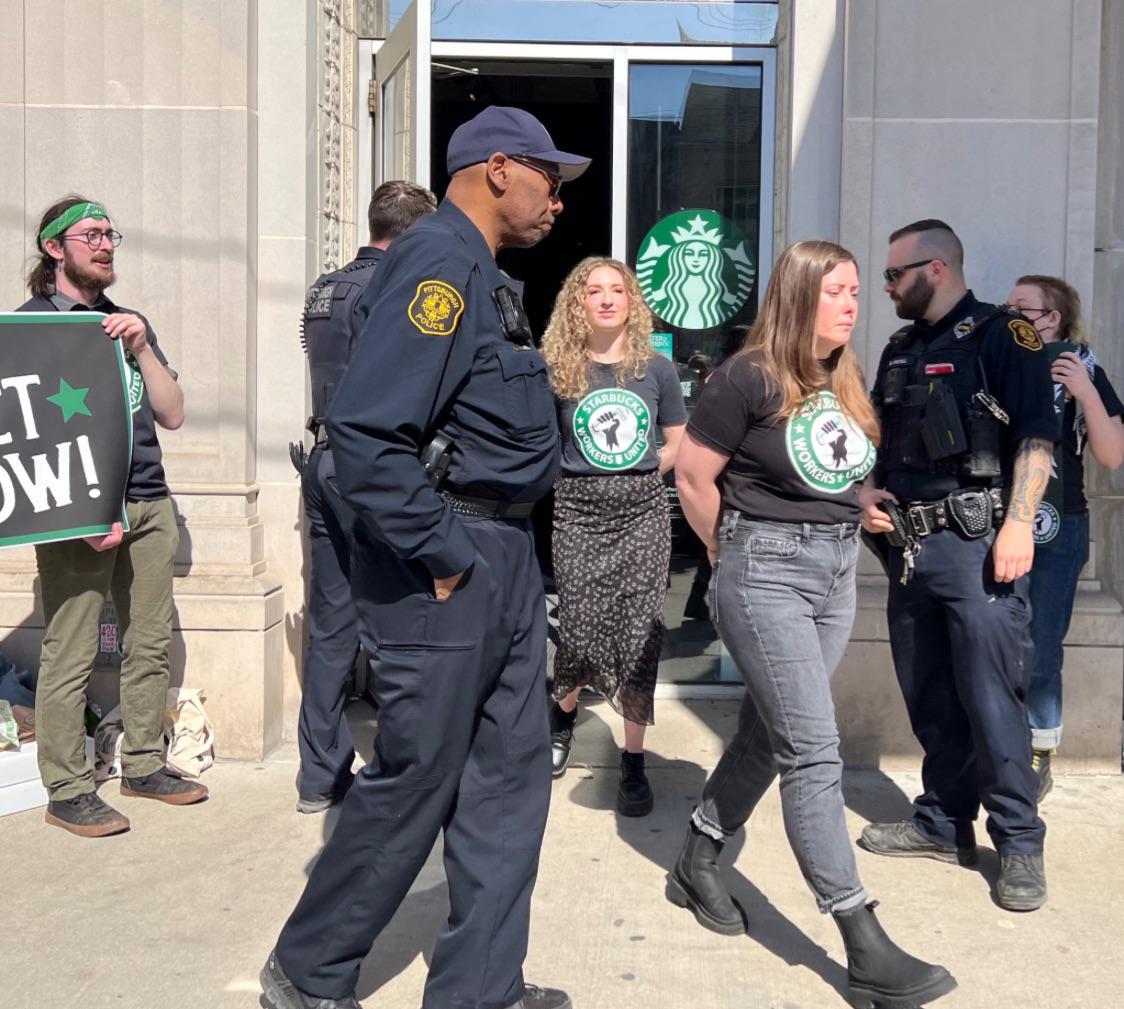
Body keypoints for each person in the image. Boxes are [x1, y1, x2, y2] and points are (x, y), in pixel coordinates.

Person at [260, 106, 590, 1009]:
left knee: (509, 782)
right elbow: (367, 435)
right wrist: (444, 553)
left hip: (503, 555)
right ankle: (307, 971)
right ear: (497, 169)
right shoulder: (438, 264)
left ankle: (480, 988)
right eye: (549, 178)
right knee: (418, 778)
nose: (557, 200)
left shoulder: (483, 275)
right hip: (450, 557)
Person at [670, 241, 955, 1009]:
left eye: (857, 290)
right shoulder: (748, 375)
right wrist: (727, 550)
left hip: (835, 571)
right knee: (813, 750)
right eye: (836, 291)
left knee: (770, 736)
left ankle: (698, 853)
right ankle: (861, 939)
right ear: (798, 295)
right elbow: (693, 475)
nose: (852, 303)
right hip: (765, 571)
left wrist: (860, 502)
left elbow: (830, 469)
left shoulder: (841, 373)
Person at [858, 220, 1057, 912]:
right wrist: (867, 493)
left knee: (992, 699)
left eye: (895, 274)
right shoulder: (901, 347)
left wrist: (1019, 524)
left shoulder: (1006, 335)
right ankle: (943, 823)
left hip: (979, 546)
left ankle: (1020, 841)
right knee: (930, 694)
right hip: (909, 548)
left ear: (936, 268)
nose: (887, 287)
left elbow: (1036, 434)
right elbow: (881, 436)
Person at [18, 195, 205, 837]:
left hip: (149, 502)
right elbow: (24, 436)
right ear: (54, 248)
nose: (105, 245)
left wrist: (143, 346)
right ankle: (67, 788)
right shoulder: (29, 328)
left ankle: (144, 765)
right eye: (91, 235)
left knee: (148, 642)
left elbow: (172, 413)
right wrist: (81, 511)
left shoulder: (127, 322)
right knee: (70, 649)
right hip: (80, 513)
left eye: (110, 235)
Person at [293, 180, 437, 814]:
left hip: (323, 458)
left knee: (331, 627)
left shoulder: (325, 287)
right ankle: (398, 778)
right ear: (414, 233)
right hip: (371, 467)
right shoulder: (396, 287)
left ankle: (318, 777)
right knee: (395, 622)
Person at [540, 257, 687, 814]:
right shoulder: (558, 369)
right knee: (578, 626)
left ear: (631, 302)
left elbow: (677, 439)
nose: (606, 299)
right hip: (577, 512)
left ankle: (633, 761)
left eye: (616, 290)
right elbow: (541, 442)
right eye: (593, 291)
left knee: (639, 633)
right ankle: (562, 717)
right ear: (577, 303)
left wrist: (646, 472)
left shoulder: (656, 370)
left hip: (642, 514)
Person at [1006, 275, 1124, 799]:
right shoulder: (999, 360)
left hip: (1061, 524)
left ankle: (1038, 749)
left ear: (1052, 319)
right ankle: (997, 741)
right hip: (998, 518)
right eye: (1008, 307)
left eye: (1023, 308)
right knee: (994, 637)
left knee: (1041, 641)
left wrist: (1084, 392)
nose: (1010, 316)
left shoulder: (1084, 368)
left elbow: (1113, 454)